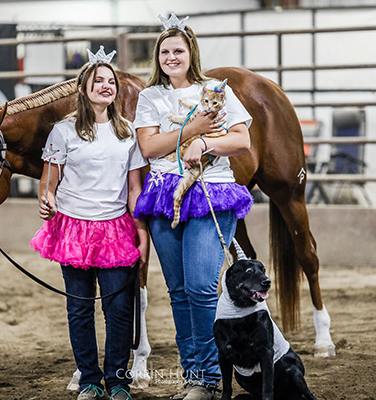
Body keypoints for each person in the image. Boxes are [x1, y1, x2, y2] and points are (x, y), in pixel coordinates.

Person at [133, 13, 253, 400]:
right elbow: (149, 147)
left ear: (191, 54)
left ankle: (210, 377)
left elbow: (242, 140)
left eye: (178, 51)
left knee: (201, 287)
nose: (171, 57)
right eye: (164, 52)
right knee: (179, 291)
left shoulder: (215, 89)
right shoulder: (150, 97)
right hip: (163, 194)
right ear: (158, 57)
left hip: (210, 191)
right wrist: (194, 128)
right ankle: (194, 377)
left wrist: (205, 143)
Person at [30, 46, 148, 400]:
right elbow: (50, 180)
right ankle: (90, 380)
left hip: (115, 228)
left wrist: (141, 230)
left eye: (110, 81)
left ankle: (118, 381)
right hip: (74, 228)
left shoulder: (128, 132)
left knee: (119, 309)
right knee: (79, 308)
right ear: (83, 88)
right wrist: (47, 200)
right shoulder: (63, 131)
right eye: (98, 81)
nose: (106, 86)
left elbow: (134, 187)